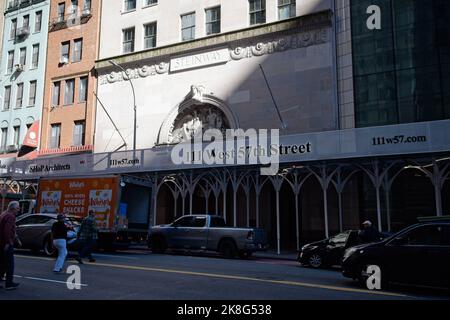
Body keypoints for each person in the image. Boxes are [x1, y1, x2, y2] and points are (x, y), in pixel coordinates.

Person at [0, 201, 21, 290]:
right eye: (17, 208)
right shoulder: (10, 216)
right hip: (6, 244)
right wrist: (9, 242)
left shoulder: (4, 214)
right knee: (9, 265)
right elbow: (7, 231)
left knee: (2, 264)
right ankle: (9, 284)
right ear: (13, 208)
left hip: (1, 243)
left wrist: (17, 239)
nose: (19, 210)